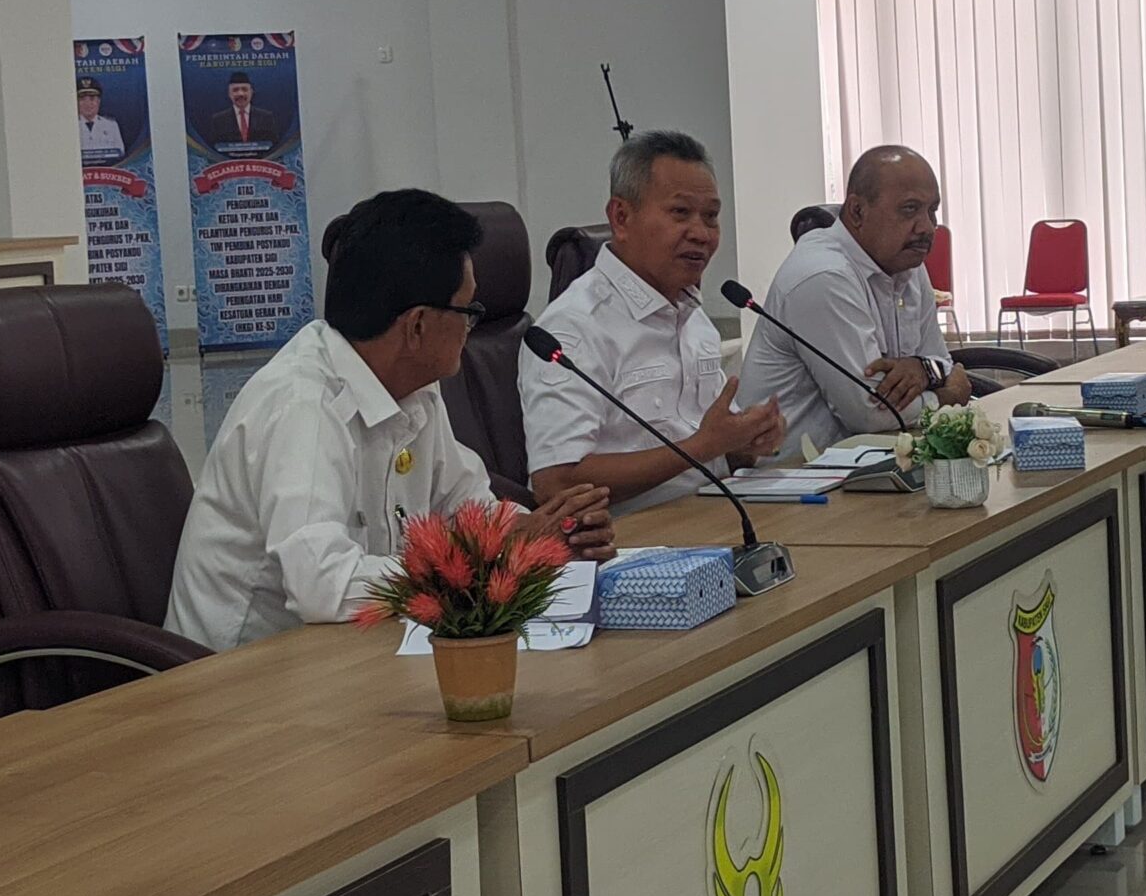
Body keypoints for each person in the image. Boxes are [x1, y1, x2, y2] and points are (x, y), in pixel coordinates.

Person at [166, 189, 614, 648]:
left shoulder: (413, 388)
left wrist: (543, 532)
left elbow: (467, 508)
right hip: (245, 670)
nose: (471, 327)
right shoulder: (303, 406)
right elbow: (322, 584)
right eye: (469, 311)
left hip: (351, 649)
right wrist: (477, 564)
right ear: (417, 325)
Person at [522, 130, 786, 514]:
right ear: (621, 217)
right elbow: (555, 482)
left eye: (711, 216)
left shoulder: (693, 318)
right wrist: (703, 447)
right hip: (632, 541)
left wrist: (745, 443)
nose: (701, 233)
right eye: (680, 213)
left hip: (716, 518)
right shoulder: (573, 328)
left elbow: (708, 454)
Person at [739, 146, 972, 452]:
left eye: (932, 211)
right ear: (858, 211)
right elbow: (870, 412)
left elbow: (941, 364)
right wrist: (947, 397)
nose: (927, 227)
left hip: (875, 459)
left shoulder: (907, 265)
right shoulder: (823, 275)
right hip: (795, 473)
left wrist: (922, 369)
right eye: (910, 209)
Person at [201, 72, 290, 154]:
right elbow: (214, 149)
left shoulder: (266, 117)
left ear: (251, 92)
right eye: (235, 90)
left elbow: (274, 147)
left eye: (244, 89)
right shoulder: (218, 120)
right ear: (229, 94)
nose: (241, 94)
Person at [75, 77, 123, 163]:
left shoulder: (111, 125)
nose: (87, 104)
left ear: (98, 101)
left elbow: (120, 153)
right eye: (82, 99)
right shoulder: (70, 126)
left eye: (92, 99)